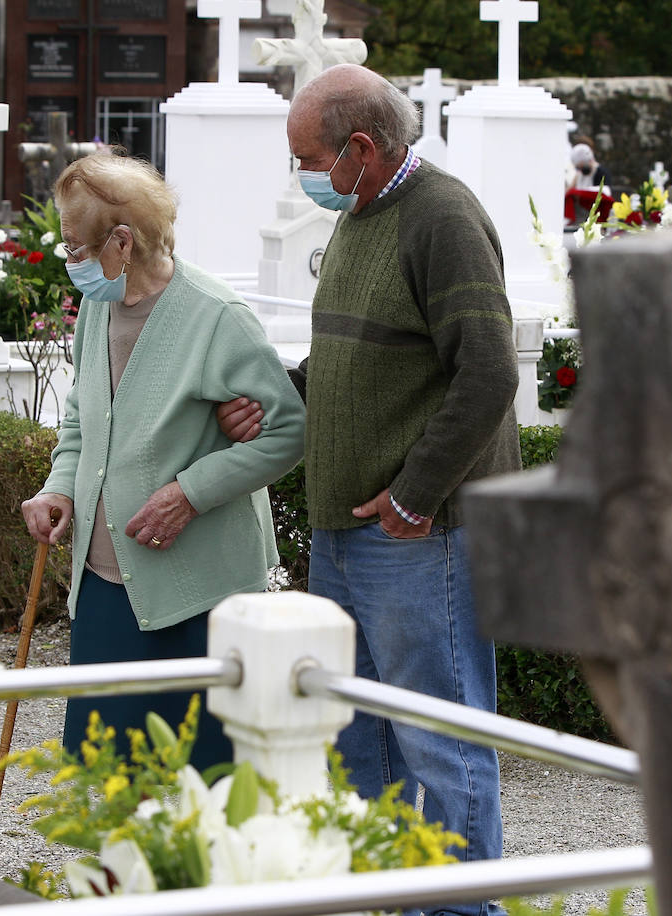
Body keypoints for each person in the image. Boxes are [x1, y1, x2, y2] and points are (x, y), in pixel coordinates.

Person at [220, 64, 518, 916]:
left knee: (443, 736)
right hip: (352, 533)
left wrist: (417, 496)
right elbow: (353, 357)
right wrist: (280, 397)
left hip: (420, 535)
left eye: (306, 156)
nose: (300, 175)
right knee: (359, 739)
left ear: (360, 147)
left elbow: (489, 372)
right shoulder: (359, 212)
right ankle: (394, 899)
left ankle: (464, 909)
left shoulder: (444, 218)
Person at [21, 153, 305, 772]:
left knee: (216, 784)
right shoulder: (100, 305)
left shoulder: (217, 316)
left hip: (200, 590)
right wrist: (59, 488)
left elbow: (285, 431)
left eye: (76, 248)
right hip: (103, 583)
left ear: (121, 241)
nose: (70, 262)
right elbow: (80, 413)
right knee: (108, 780)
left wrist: (190, 493)